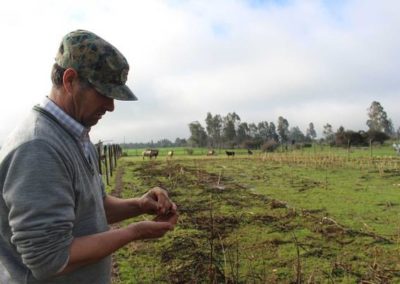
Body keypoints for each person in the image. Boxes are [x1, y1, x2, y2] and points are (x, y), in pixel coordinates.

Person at [0, 29, 178, 283]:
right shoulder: (38, 147)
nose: (111, 106)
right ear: (70, 80)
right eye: (104, 92)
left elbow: (92, 208)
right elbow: (49, 258)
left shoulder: (75, 136)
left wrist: (140, 205)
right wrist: (134, 232)